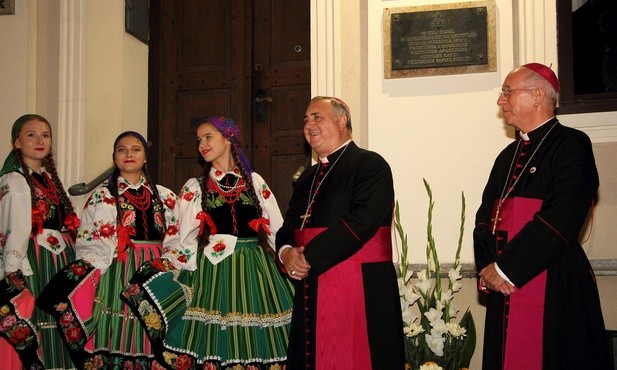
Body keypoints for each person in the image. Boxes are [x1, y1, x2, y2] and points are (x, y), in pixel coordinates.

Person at [121, 117, 294, 369]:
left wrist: (285, 256)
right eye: (199, 140)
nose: (202, 144)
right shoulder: (196, 187)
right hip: (215, 269)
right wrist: (176, 266)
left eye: (208, 137)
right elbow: (180, 234)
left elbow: (275, 227)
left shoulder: (255, 182)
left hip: (256, 268)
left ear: (229, 139)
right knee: (215, 338)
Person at [474, 63, 611, 369]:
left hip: (553, 280)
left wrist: (506, 268)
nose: (501, 100)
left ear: (537, 96)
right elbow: (485, 217)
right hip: (502, 283)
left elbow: (562, 216)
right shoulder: (506, 156)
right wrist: (487, 268)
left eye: (508, 91)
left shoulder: (572, 145)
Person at [275, 96, 405, 369]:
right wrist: (286, 254)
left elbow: (362, 220)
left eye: (317, 117)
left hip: (360, 285)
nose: (309, 124)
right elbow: (287, 227)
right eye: (306, 120)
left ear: (342, 120)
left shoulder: (370, 165)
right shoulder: (307, 178)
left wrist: (307, 257)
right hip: (313, 284)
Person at [37, 131, 180, 368]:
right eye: (121, 150)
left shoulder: (165, 196)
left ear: (145, 157)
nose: (128, 154)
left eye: (135, 149)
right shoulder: (103, 197)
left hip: (153, 271)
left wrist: (170, 264)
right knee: (118, 330)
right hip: (117, 269)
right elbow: (88, 240)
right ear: (114, 157)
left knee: (152, 331)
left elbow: (176, 236)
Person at [0, 114, 79, 369]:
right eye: (31, 135)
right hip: (34, 260)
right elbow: (13, 230)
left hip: (59, 259)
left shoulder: (47, 178)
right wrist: (13, 274)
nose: (39, 140)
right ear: (17, 143)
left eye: (45, 135)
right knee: (39, 322)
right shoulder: (15, 181)